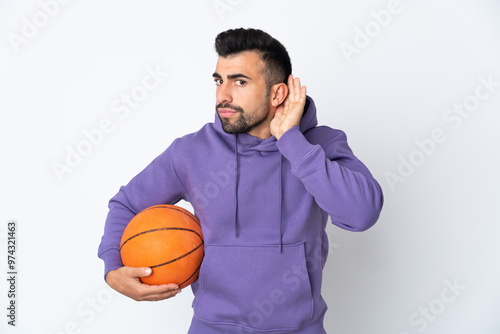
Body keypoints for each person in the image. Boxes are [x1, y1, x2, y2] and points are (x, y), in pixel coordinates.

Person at [98, 27, 384, 333]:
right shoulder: (190, 152)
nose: (223, 95)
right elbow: (127, 204)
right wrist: (113, 267)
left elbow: (362, 214)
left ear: (277, 93)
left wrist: (291, 141)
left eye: (239, 81)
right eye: (219, 80)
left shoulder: (319, 146)